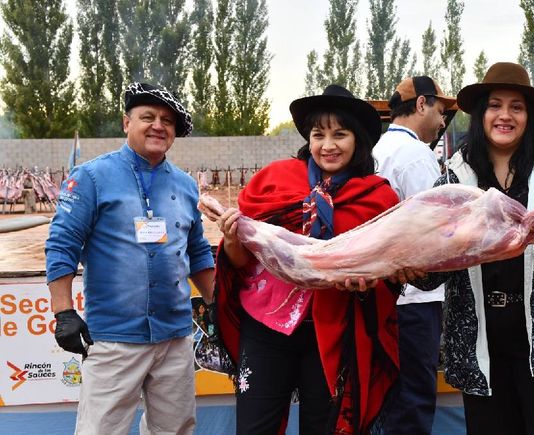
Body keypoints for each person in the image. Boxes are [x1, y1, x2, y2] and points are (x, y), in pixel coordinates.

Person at [408, 62, 534, 434]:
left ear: (528, 117)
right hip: (482, 351)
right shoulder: (454, 180)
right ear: (480, 114)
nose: (505, 115)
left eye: (516, 107)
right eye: (495, 105)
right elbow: (429, 273)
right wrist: (411, 263)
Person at [212, 85, 401, 434]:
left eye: (339, 134)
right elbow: (238, 263)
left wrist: (368, 282)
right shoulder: (274, 180)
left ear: (357, 139)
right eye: (319, 134)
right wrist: (231, 237)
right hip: (265, 327)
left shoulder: (378, 197)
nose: (327, 145)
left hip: (332, 330)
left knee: (324, 427)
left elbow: (389, 272)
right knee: (254, 428)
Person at [45, 82, 215, 434]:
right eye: (148, 117)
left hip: (175, 338)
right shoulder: (91, 177)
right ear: (127, 123)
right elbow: (61, 245)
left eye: (167, 121)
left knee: (176, 429)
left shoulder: (185, 185)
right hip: (113, 339)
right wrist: (63, 312)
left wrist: (218, 306)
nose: (158, 126)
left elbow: (197, 252)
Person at [372, 75, 455, 435]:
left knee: (388, 400)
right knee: (414, 400)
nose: (441, 122)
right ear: (421, 104)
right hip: (415, 297)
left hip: (382, 294)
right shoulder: (417, 155)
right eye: (440, 111)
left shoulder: (375, 150)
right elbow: (435, 230)